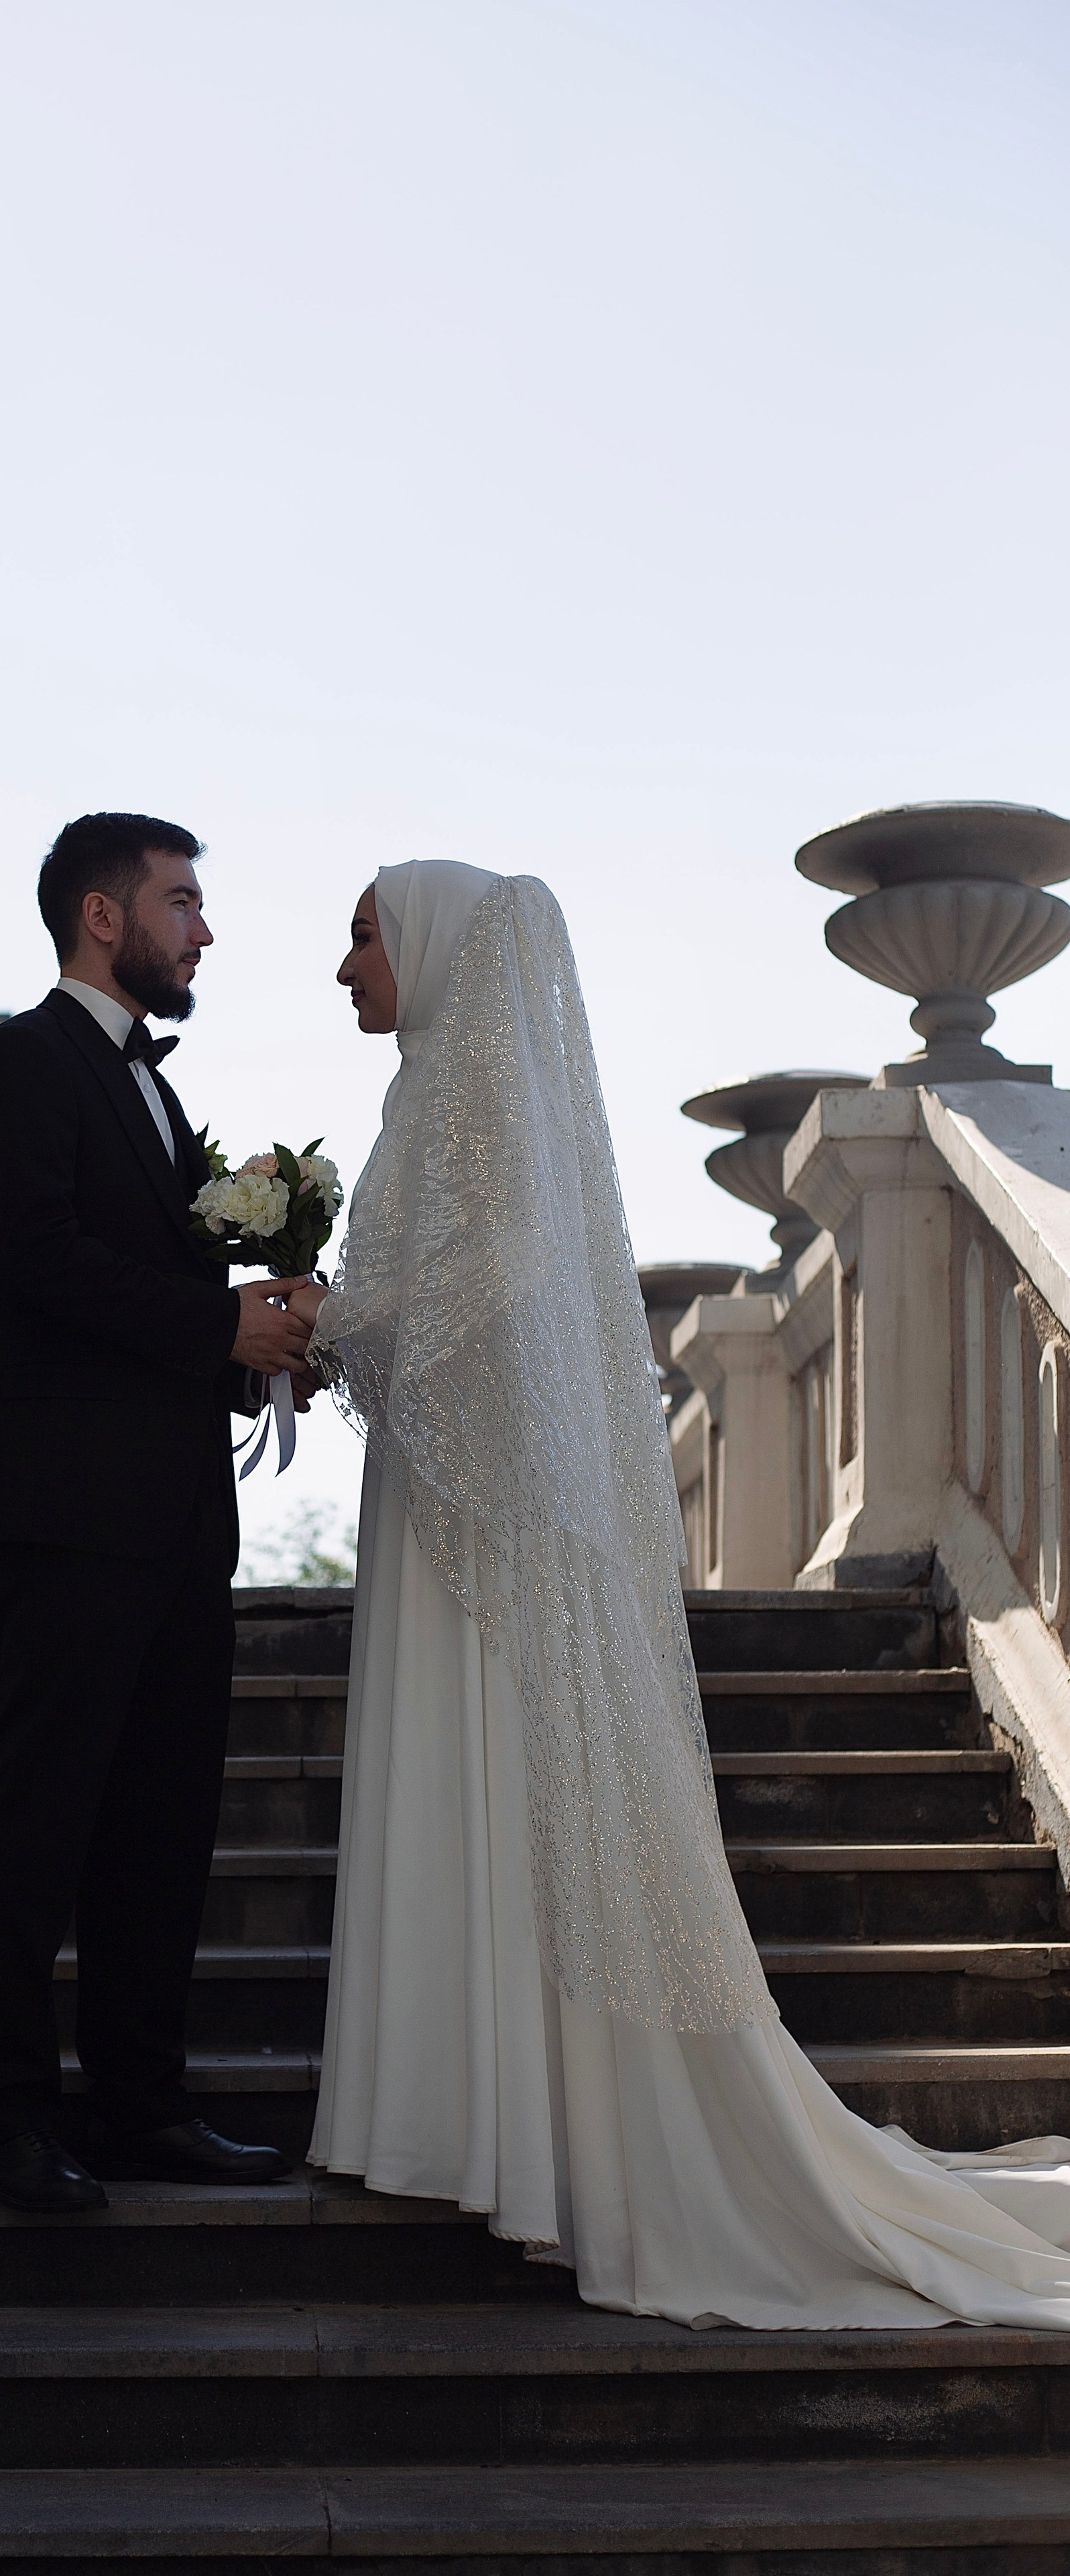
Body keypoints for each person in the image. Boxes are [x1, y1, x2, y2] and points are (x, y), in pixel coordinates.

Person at [284, 858, 1070, 2329]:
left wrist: (323, 1318)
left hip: (482, 1542)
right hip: (452, 1517)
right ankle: (466, 2125)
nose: (345, 968)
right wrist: (338, 1321)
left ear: (440, 949)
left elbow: (480, 1288)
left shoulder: (474, 1109)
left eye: (364, 936)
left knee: (496, 1801)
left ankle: (512, 2136)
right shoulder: (437, 1096)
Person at [0, 812, 313, 2215]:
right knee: (41, 1823)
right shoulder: (21, 1065)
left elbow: (147, 1304)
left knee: (161, 1827)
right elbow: (37, 1264)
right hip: (68, 1515)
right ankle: (1, 2126)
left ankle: (142, 2102)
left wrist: (258, 1341)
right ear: (104, 917)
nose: (201, 930)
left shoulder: (155, 1096)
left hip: (174, 1519)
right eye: (182, 902)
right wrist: (216, 1320)